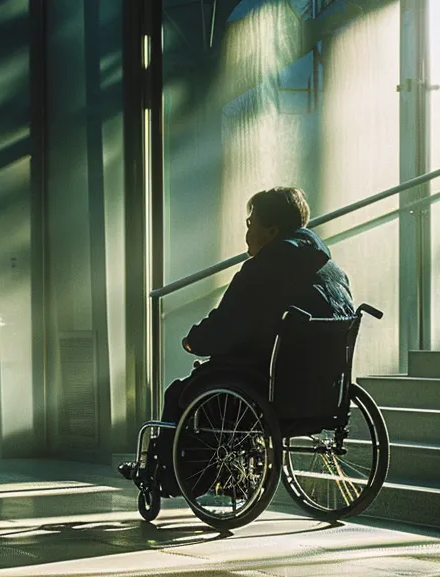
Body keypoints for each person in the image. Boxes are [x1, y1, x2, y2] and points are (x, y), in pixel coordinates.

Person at [127, 186, 354, 485]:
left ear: (271, 231)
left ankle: (168, 478)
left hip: (269, 386)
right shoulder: (332, 271)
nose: (246, 233)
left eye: (251, 224)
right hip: (322, 390)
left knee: (180, 393)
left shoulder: (261, 270)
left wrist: (194, 341)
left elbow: (228, 322)